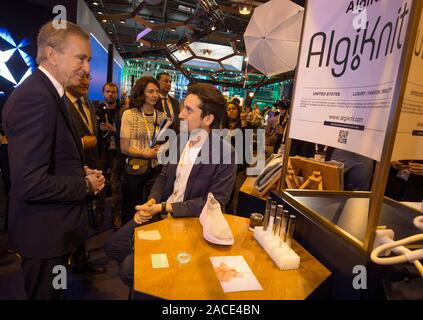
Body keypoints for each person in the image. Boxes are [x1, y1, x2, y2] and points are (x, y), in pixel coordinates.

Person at [1, 21, 105, 299]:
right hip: (43, 236)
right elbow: (30, 183)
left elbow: (51, 157)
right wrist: (84, 185)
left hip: (52, 233)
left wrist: (79, 168)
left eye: (89, 60)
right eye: (81, 58)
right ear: (51, 54)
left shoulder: (50, 95)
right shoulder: (36, 98)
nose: (86, 68)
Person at [104, 83, 236, 288]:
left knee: (129, 270)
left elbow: (215, 202)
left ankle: (161, 275)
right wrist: (151, 202)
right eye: (183, 107)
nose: (181, 115)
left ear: (208, 119)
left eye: (189, 110)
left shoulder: (225, 153)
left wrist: (165, 207)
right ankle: (158, 272)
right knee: (114, 246)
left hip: (189, 224)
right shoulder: (180, 141)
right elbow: (164, 177)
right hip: (161, 213)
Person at [64, 74, 106, 274]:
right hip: (69, 172)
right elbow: (57, 143)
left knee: (82, 217)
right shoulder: (60, 104)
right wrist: (81, 143)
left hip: (90, 166)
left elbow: (94, 135)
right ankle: (71, 261)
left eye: (88, 77)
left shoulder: (87, 102)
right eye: (81, 77)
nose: (86, 81)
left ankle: (80, 260)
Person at [120, 77, 167, 224]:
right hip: (135, 169)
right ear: (141, 93)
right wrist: (144, 153)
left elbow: (166, 141)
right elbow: (124, 147)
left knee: (150, 209)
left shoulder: (162, 116)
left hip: (156, 170)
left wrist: (163, 148)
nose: (155, 95)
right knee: (131, 208)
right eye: (150, 91)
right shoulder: (130, 114)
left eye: (157, 91)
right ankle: (127, 240)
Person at [95, 82, 123, 229]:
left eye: (113, 92)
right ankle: (99, 215)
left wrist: (114, 129)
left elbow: (126, 133)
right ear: (103, 93)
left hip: (117, 152)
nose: (110, 94)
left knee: (115, 184)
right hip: (102, 151)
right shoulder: (98, 110)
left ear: (117, 93)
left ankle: (116, 216)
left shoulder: (122, 111)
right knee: (100, 183)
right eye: (107, 91)